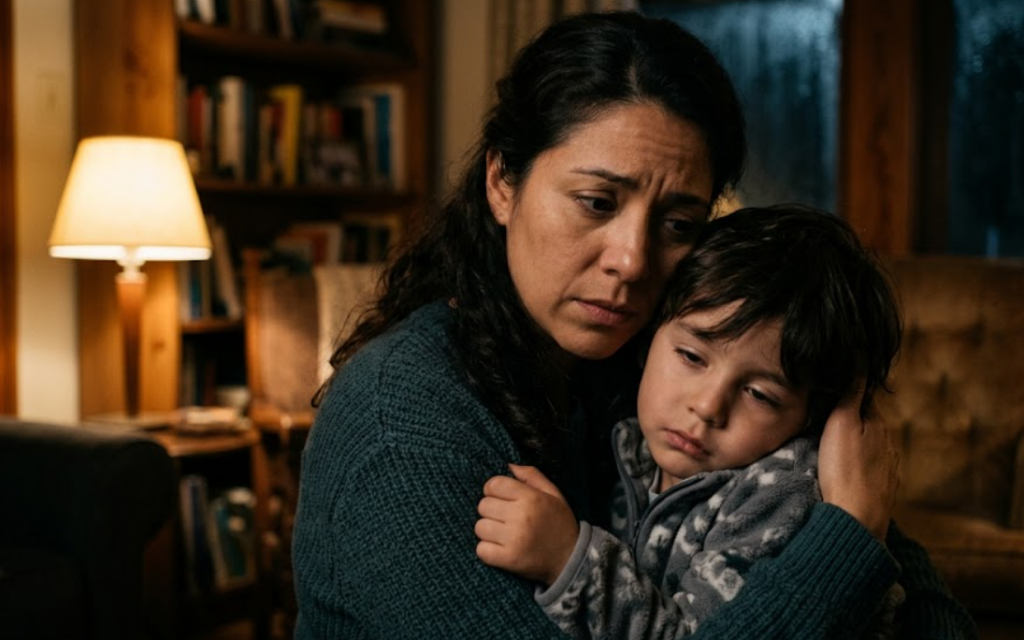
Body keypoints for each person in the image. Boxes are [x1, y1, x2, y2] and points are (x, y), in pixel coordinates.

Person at [292, 11, 975, 640]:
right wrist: (847, 537)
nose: (633, 260)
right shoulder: (404, 427)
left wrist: (858, 521)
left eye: (679, 224)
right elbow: (853, 539)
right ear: (502, 181)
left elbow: (931, 613)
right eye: (596, 201)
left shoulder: (644, 365)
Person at [474, 204, 907, 640]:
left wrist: (567, 559)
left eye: (759, 394)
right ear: (649, 338)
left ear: (817, 419)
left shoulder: (778, 495)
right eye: (691, 356)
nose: (707, 407)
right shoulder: (625, 441)